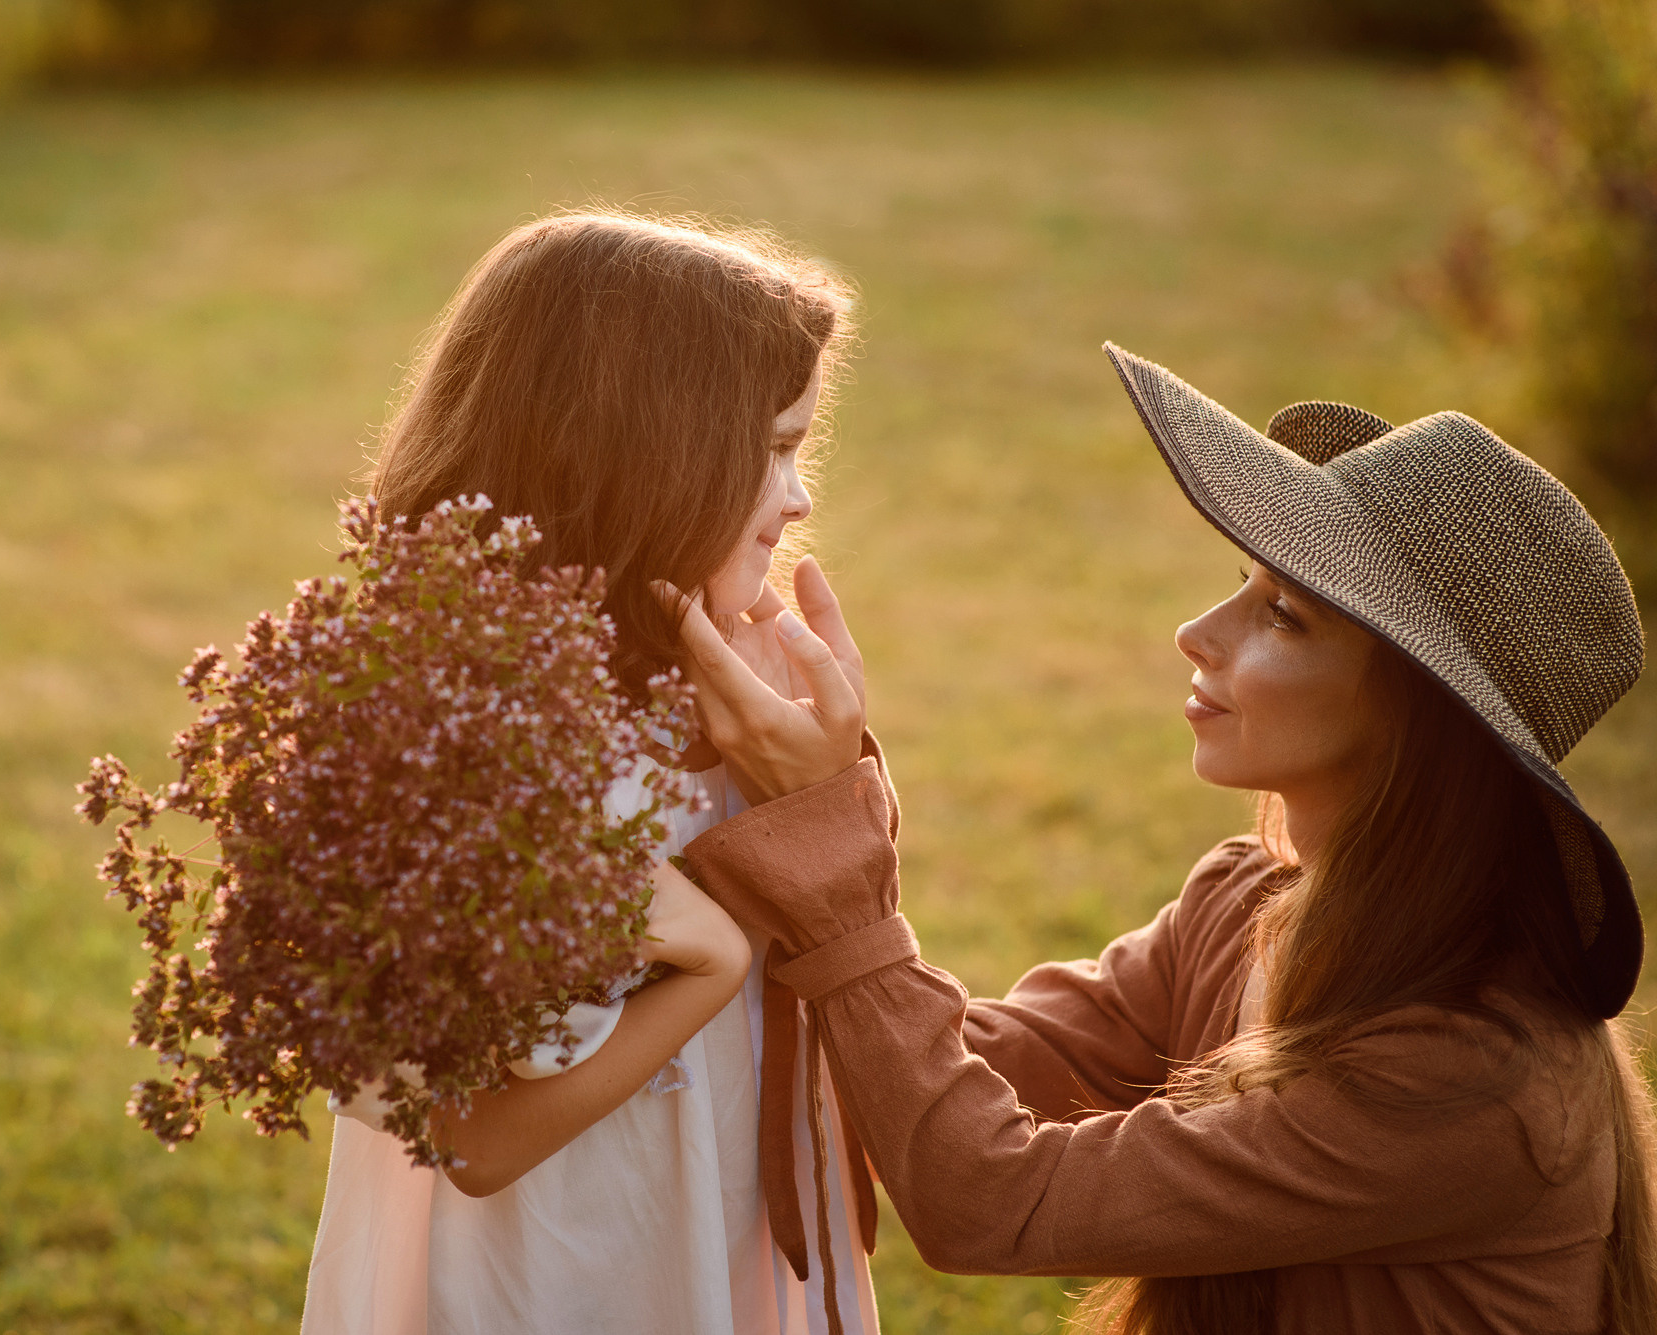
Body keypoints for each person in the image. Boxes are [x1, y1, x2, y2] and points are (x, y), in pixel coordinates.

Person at [666, 343, 1657, 1332]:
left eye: (1282, 617)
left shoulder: (1474, 1083)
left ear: (1417, 724)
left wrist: (831, 847)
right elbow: (963, 1062)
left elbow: (989, 1198)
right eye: (1239, 584)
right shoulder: (1245, 903)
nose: (1197, 630)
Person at [302, 211, 882, 1335]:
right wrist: (709, 961)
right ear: (645, 462)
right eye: (770, 451)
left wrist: (824, 792)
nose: (800, 498)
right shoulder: (463, 746)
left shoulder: (733, 681)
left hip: (731, 1221)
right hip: (570, 1261)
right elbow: (469, 1140)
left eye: (802, 447)